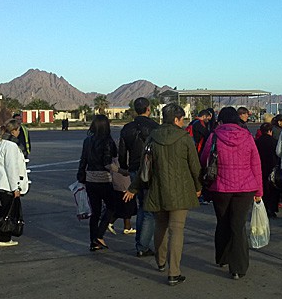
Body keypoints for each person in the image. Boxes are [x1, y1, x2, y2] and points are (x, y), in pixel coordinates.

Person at [124, 103, 202, 286]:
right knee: (177, 230)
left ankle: (160, 261)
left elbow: (144, 167)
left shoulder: (152, 138)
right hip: (181, 192)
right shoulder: (185, 138)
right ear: (176, 119)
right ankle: (174, 272)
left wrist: (133, 188)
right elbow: (195, 166)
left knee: (160, 226)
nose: (183, 122)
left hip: (157, 190)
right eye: (182, 119)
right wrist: (198, 186)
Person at [200, 107, 263, 280]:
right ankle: (238, 268)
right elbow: (256, 164)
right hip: (245, 188)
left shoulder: (214, 136)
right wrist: (259, 191)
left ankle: (223, 257)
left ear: (220, 120)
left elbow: (204, 159)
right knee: (238, 225)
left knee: (223, 222)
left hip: (220, 188)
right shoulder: (248, 136)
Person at [118, 97, 159, 257]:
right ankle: (143, 245)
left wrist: (124, 167)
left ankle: (140, 243)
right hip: (150, 170)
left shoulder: (127, 128)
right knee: (149, 209)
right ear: (148, 109)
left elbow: (122, 151)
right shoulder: (155, 127)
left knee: (142, 205)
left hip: (134, 169)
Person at [0, 119, 29, 247]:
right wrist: (16, 188)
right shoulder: (11, 146)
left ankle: (1, 235)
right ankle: (4, 238)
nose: (19, 132)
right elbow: (11, 168)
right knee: (8, 212)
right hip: (6, 184)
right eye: (18, 130)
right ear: (14, 131)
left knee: (3, 211)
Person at [77, 115, 117, 251]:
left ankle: (93, 241)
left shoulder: (87, 141)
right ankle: (99, 235)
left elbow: (83, 160)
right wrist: (121, 171)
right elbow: (107, 162)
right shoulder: (108, 141)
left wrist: (81, 175)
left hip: (90, 179)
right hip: (104, 179)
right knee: (112, 207)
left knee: (95, 211)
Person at [255, 123, 279, 218]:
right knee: (272, 189)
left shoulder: (257, 142)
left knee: (263, 188)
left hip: (260, 167)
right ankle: (272, 209)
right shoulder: (274, 141)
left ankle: (263, 207)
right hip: (271, 167)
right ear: (270, 131)